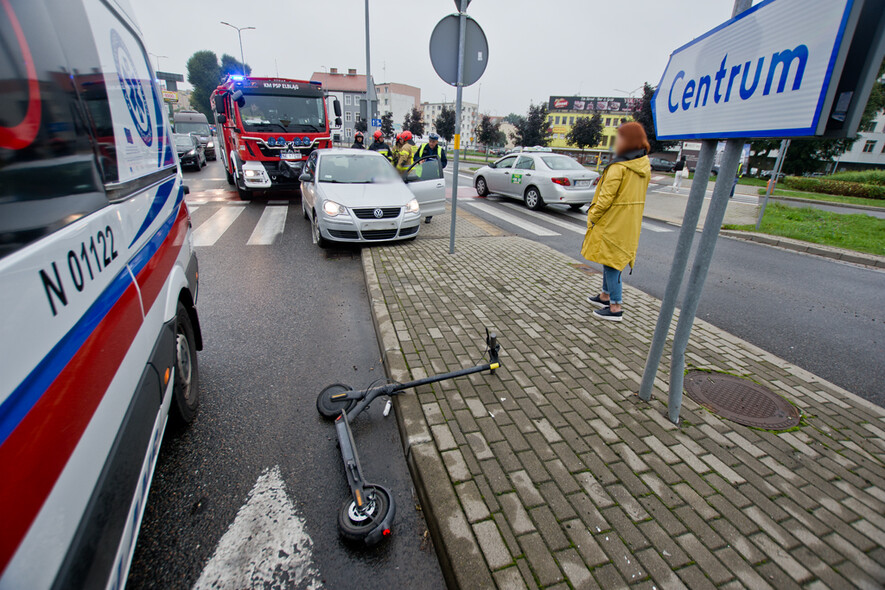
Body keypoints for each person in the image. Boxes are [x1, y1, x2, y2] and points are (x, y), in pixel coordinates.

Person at [583, 122, 652, 322]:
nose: (616, 142)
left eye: (620, 138)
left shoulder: (619, 167)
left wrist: (593, 216)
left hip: (613, 221)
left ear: (628, 141)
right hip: (629, 222)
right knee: (610, 259)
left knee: (613, 263)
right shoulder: (643, 166)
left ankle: (615, 307)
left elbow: (605, 198)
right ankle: (605, 295)